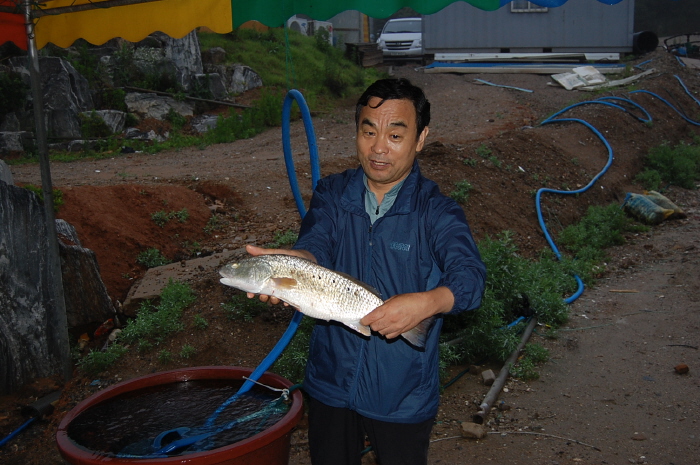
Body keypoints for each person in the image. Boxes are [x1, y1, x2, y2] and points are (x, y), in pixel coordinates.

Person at [246, 78, 486, 465]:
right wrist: (295, 263)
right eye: (369, 131)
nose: (378, 148)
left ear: (420, 139)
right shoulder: (332, 194)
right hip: (330, 382)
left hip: (402, 394)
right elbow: (316, 243)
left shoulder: (436, 211)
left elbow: (470, 275)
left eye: (395, 135)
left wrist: (428, 302)